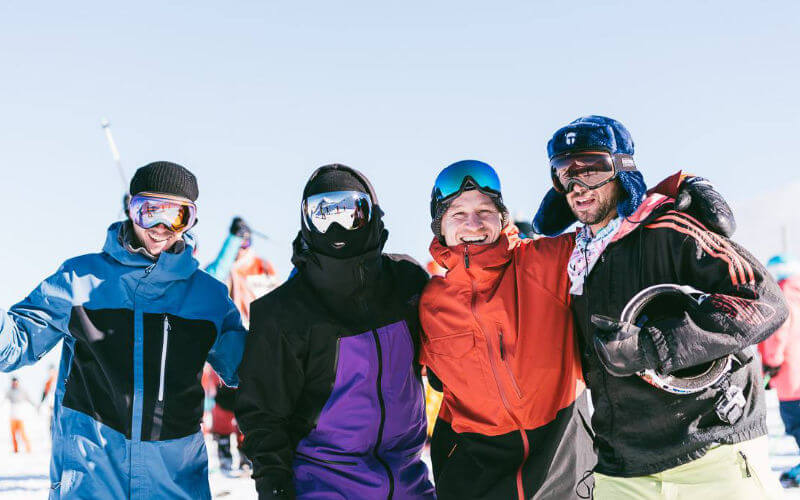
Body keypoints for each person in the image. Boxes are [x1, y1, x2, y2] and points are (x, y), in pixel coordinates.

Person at [418, 158, 729, 499]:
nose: (473, 224)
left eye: (485, 211)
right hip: (474, 471)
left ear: (502, 216)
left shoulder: (549, 260)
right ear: (440, 226)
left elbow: (614, 221)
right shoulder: (429, 302)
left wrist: (680, 183)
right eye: (458, 214)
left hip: (561, 459)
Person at [534, 115, 787, 499]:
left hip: (712, 451)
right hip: (623, 469)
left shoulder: (668, 228)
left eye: (594, 168)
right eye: (565, 172)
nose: (578, 185)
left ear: (622, 170)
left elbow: (763, 301)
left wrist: (653, 346)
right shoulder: (576, 258)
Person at [0, 161, 248, 499]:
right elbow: (15, 343)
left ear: (190, 222)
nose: (161, 227)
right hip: (91, 482)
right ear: (131, 210)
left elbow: (252, 372)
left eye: (176, 216)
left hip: (175, 485)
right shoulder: (79, 280)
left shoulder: (207, 297)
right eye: (150, 211)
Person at [236, 164, 435, 499]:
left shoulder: (407, 281)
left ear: (371, 213)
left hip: (409, 481)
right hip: (324, 486)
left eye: (351, 213)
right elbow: (262, 414)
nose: (337, 228)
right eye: (323, 215)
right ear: (306, 221)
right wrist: (274, 486)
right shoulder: (284, 312)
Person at [206, 216, 278, 472]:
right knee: (226, 397)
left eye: (246, 240)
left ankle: (249, 449)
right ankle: (223, 444)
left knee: (256, 397)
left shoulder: (264, 267)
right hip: (229, 338)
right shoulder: (227, 267)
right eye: (240, 240)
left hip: (258, 338)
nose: (243, 245)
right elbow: (212, 281)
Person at [758, 254, 800, 487]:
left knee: (795, 421)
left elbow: (777, 332)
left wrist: (771, 362)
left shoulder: (781, 295)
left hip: (791, 374)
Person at [4, 377, 33, 453]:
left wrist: (35, 406)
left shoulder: (22, 391)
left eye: (16, 382)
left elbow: (29, 399)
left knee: (23, 434)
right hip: (12, 416)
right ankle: (15, 450)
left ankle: (28, 449)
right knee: (13, 434)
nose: (15, 384)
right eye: (13, 383)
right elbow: (4, 400)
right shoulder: (9, 391)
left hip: (20, 416)